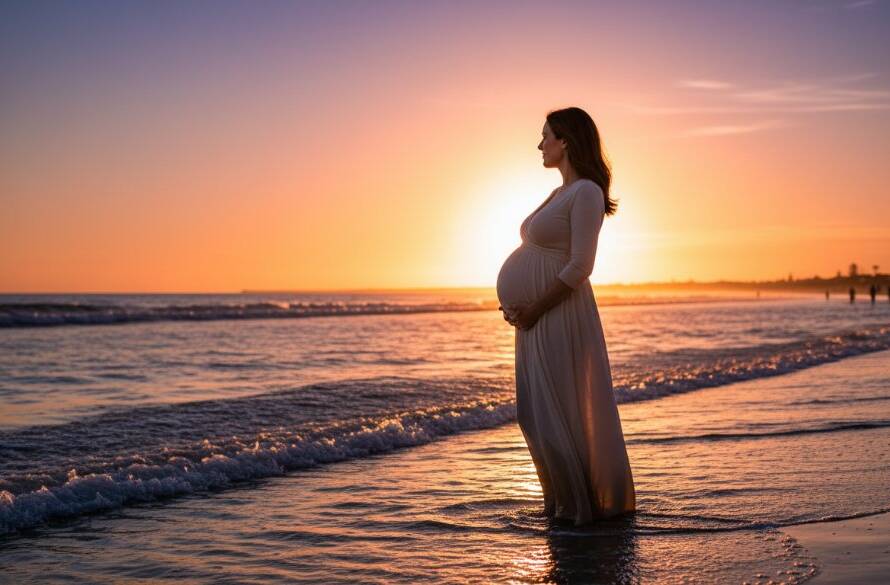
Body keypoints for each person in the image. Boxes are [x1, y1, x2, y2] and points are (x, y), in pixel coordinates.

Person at [495, 107, 635, 524]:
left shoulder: (586, 192)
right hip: (534, 320)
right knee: (534, 412)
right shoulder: (559, 194)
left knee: (558, 411)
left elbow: (580, 267)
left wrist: (535, 306)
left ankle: (579, 511)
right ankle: (557, 504)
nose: (540, 145)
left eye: (545, 136)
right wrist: (516, 306)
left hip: (557, 314)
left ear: (566, 141)